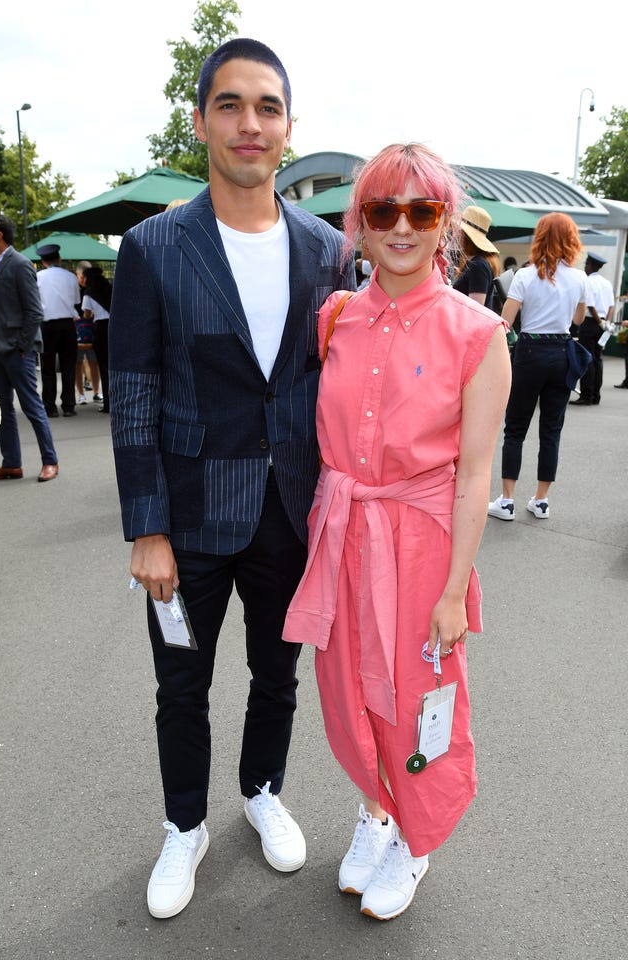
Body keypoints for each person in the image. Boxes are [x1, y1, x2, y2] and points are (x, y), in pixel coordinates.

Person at [108, 37, 355, 920]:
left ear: (288, 127)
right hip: (185, 523)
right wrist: (146, 526)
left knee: (277, 677)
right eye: (231, 105)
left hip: (291, 509)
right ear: (202, 118)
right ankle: (185, 826)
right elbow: (132, 394)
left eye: (268, 107)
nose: (250, 124)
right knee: (181, 682)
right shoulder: (153, 246)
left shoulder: (328, 250)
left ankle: (260, 790)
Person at [283, 143, 511, 921]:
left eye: (423, 210)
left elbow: (475, 474)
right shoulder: (337, 316)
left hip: (422, 547)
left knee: (419, 699)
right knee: (348, 694)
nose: (403, 228)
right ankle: (377, 810)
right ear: (362, 225)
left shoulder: (478, 334)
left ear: (444, 222)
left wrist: (455, 592)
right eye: (385, 212)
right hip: (345, 536)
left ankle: (417, 840)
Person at [488, 212, 588, 521]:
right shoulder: (580, 277)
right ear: (571, 239)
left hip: (530, 350)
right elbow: (579, 320)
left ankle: (506, 500)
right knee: (551, 430)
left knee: (516, 427)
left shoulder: (525, 275)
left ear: (539, 237)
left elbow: (505, 319)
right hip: (561, 351)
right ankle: (541, 500)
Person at [0, 214, 59, 481]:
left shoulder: (19, 264)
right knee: (2, 408)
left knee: (32, 406)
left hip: (17, 349)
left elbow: (34, 311)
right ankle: (12, 463)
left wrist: (22, 347)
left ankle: (50, 461)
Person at [36, 243, 80, 417]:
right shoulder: (70, 277)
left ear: (43, 261)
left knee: (47, 368)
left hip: (47, 325)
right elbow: (76, 301)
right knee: (69, 366)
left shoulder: (38, 277)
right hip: (68, 324)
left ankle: (50, 407)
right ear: (59, 259)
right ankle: (68, 406)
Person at [569, 252, 615, 406]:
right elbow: (611, 306)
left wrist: (598, 321)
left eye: (586, 264)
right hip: (602, 324)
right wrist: (606, 322)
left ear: (589, 265)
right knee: (598, 359)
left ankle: (586, 395)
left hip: (590, 323)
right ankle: (596, 395)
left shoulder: (588, 281)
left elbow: (590, 305)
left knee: (587, 359)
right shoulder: (606, 283)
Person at [452, 204, 501, 310]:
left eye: (459, 231)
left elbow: (476, 309)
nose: (456, 235)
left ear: (465, 236)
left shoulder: (478, 266)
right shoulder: (479, 262)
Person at [81, 266, 111, 412]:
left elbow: (87, 314)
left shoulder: (89, 293)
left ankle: (108, 403)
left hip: (100, 329)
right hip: (115, 328)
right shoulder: (111, 288)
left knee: (104, 367)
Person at [74, 260, 102, 405]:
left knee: (94, 362)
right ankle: (81, 394)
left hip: (91, 330)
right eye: (81, 276)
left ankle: (97, 391)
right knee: (77, 364)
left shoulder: (92, 290)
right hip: (78, 330)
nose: (84, 279)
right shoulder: (75, 289)